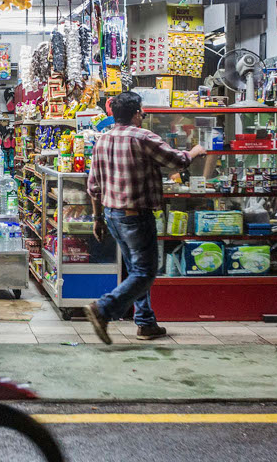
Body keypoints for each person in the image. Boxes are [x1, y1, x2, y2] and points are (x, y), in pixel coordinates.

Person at [84, 91, 206, 343]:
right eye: (142, 110)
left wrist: (98, 219)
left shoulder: (103, 139)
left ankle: (146, 323)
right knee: (145, 272)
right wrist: (195, 151)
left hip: (113, 215)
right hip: (135, 216)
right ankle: (103, 309)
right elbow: (177, 161)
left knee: (135, 270)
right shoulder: (143, 137)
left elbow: (93, 186)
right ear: (137, 113)